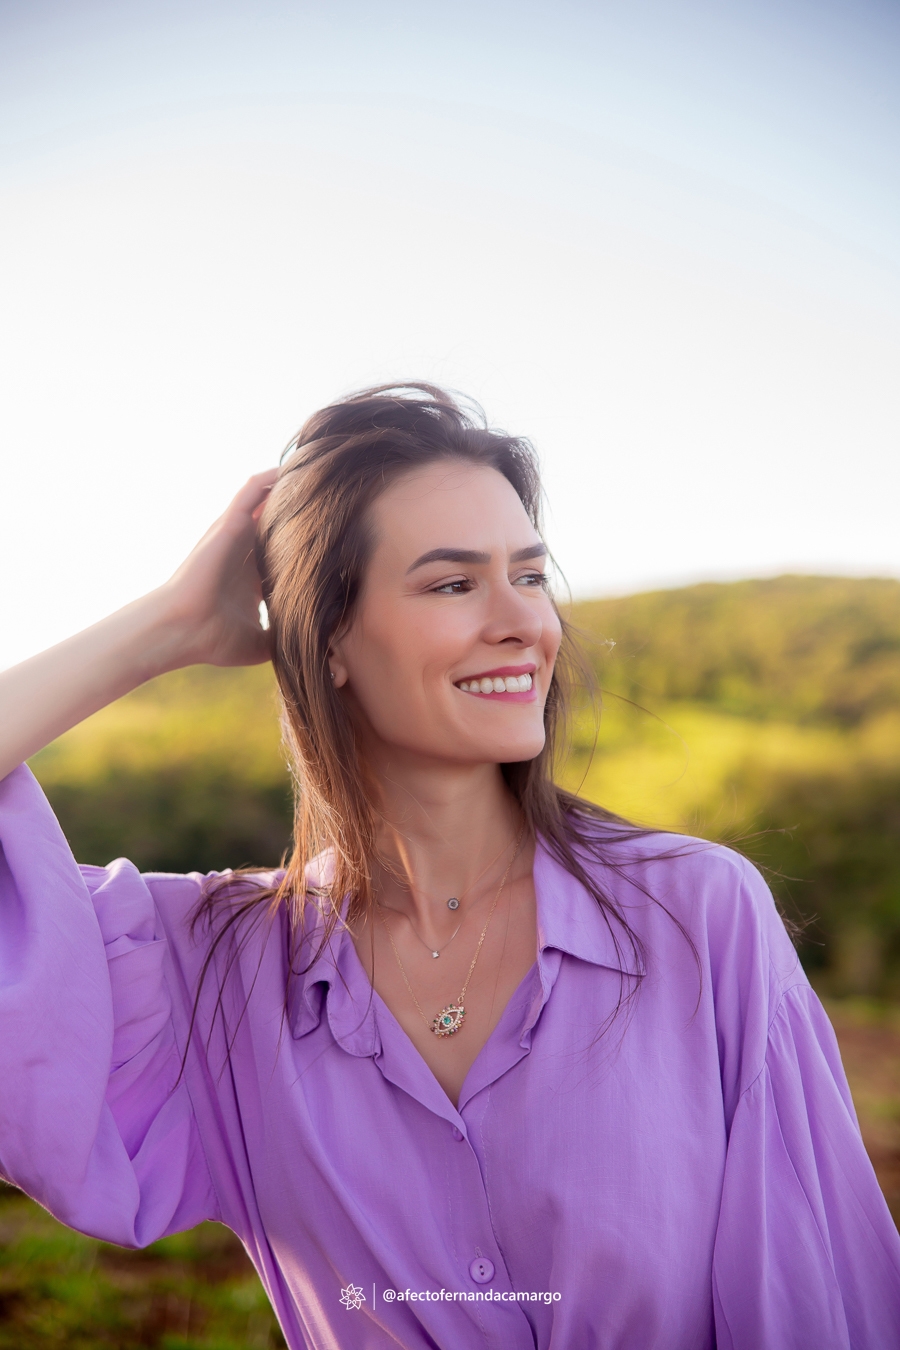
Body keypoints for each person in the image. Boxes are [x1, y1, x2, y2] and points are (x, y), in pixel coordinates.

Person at [0, 383, 898, 1350]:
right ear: (330, 639)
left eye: (529, 574)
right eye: (452, 584)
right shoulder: (214, 970)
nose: (523, 623)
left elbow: (814, 1297)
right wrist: (164, 628)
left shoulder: (697, 913)